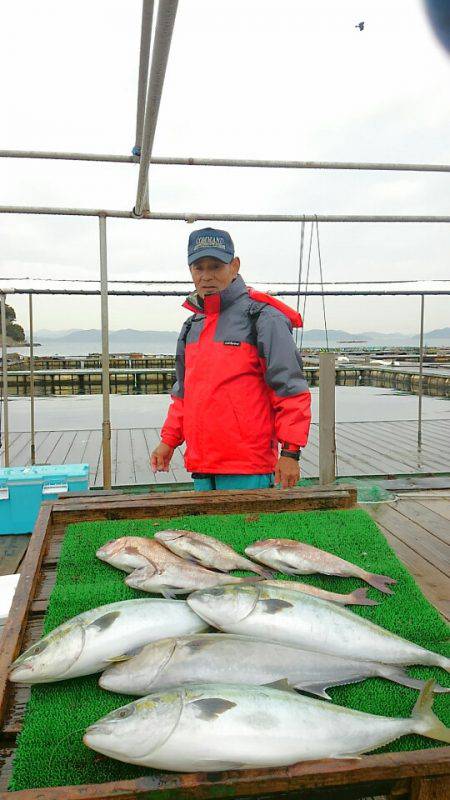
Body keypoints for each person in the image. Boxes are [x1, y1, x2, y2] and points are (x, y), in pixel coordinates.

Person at [150, 227, 311, 491]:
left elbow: (290, 390)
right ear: (191, 271)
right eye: (199, 267)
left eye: (216, 266)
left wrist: (290, 453)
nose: (206, 276)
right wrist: (168, 441)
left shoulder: (263, 318)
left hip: (249, 467)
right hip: (202, 466)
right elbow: (183, 395)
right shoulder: (192, 326)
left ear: (234, 266)